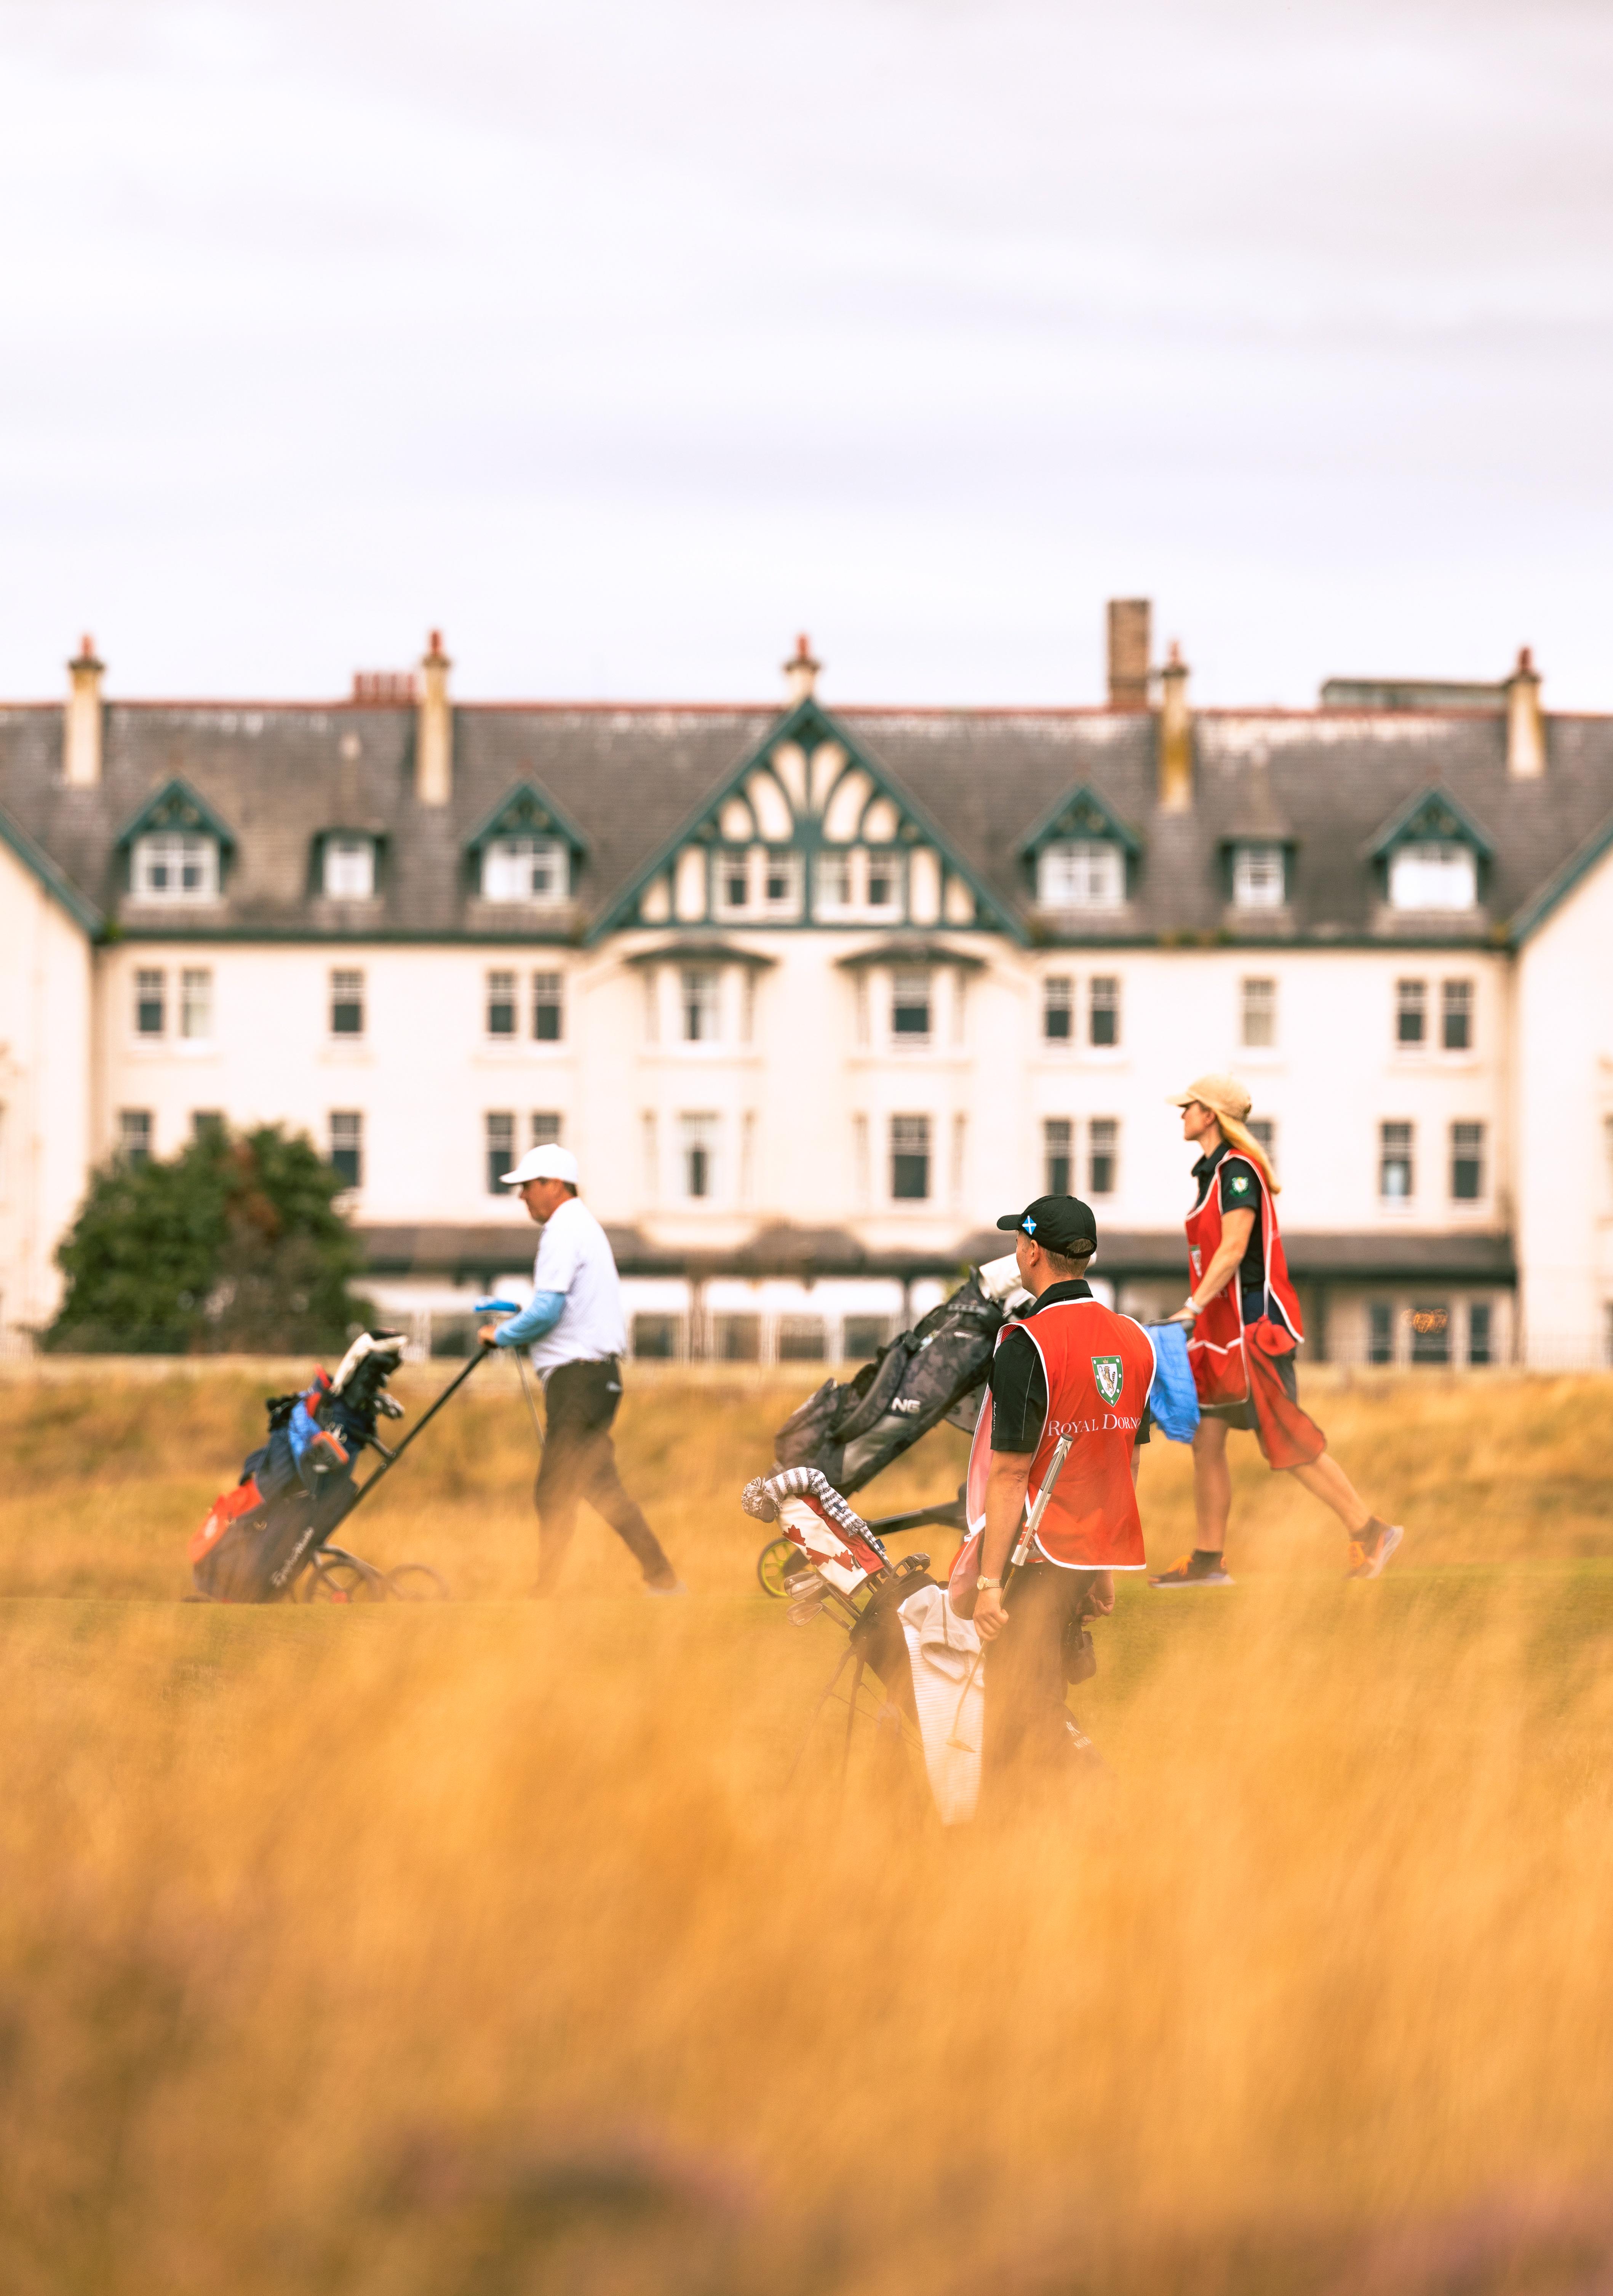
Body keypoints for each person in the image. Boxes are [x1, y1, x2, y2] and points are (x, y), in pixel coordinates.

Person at [1148, 1074, 1402, 1588]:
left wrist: (1191, 1306)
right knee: (1206, 1438)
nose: (1181, 1115)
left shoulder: (1237, 1172)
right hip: (1221, 1334)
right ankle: (1207, 1560)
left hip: (1251, 1332)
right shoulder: (1212, 1173)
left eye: (1188, 1107)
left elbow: (1234, 1247)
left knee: (1283, 1439)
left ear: (1210, 1115)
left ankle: (1370, 1530)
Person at [969, 1193, 1156, 1805]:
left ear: (1030, 1251)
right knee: (1032, 1699)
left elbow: (1008, 1474)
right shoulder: (1133, 1340)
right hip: (1086, 1553)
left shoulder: (1025, 1341)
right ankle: (1034, 1838)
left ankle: (1101, 1812)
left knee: (1021, 1709)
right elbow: (1120, 1462)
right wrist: (1100, 1568)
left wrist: (989, 1581)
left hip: (1034, 1556)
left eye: (1018, 1243)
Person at [477, 1144, 684, 1597]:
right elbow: (559, 1306)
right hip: (597, 1379)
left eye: (528, 1187)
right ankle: (663, 1580)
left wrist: (503, 1335)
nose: (522, 1197)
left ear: (553, 1185)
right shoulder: (582, 1227)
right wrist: (521, 1318)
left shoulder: (562, 1230)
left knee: (552, 1490)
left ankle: (544, 1594)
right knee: (602, 1489)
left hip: (578, 1379)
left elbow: (549, 1309)